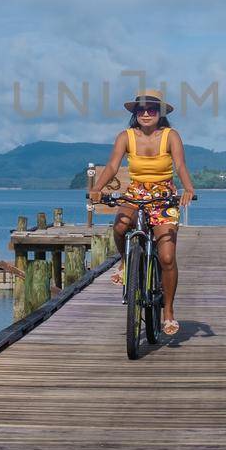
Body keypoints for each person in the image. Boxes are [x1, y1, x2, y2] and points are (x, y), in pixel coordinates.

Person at [89, 89, 196, 337]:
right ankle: (126, 263)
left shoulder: (171, 136)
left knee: (167, 256)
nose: (146, 114)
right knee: (120, 226)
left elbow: (180, 165)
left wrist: (188, 188)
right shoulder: (126, 136)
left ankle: (168, 311)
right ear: (135, 113)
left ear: (160, 113)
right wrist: (98, 188)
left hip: (163, 195)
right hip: (136, 192)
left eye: (151, 110)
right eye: (141, 110)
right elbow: (114, 165)